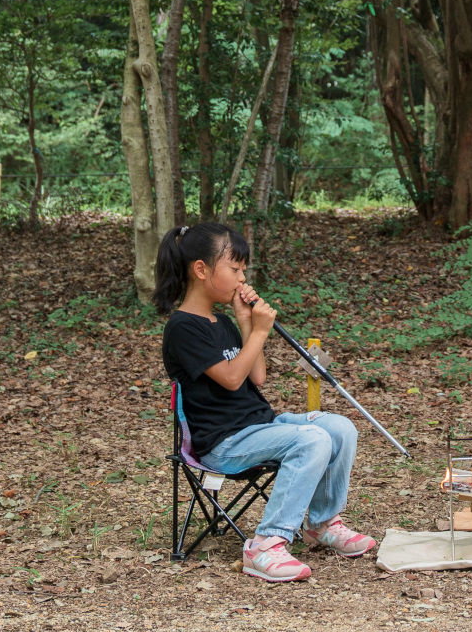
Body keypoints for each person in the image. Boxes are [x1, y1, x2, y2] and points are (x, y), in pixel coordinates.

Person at [153, 222, 375, 583]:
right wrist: (259, 331)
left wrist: (244, 323)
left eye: (244, 270)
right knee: (312, 439)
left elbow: (257, 376)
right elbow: (231, 377)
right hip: (223, 442)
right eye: (235, 269)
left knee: (340, 428)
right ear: (201, 269)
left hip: (260, 427)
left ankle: (321, 524)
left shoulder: (222, 320)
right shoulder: (183, 327)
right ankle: (266, 544)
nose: (243, 278)